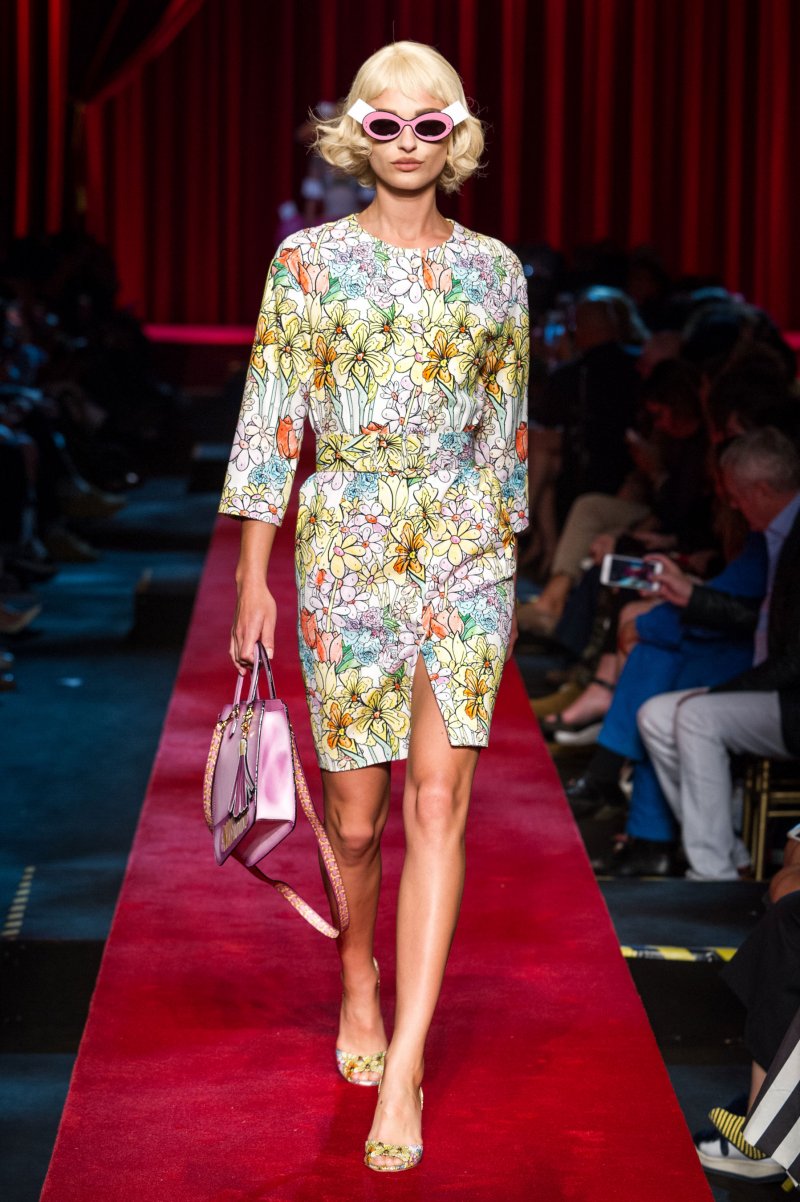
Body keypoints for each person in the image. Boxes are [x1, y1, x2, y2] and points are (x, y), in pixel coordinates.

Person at [220, 41, 529, 1173]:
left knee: (439, 804)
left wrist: (504, 556)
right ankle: (356, 970)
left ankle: (404, 1063)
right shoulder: (305, 263)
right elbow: (271, 422)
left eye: (427, 123)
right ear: (356, 133)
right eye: (385, 123)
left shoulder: (497, 271)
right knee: (355, 821)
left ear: (457, 136)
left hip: (463, 545)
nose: (406, 142)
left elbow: (508, 431)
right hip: (344, 537)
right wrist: (252, 577)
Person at [638, 428, 800, 880]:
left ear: (762, 490)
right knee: (655, 715)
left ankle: (712, 870)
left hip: (792, 697)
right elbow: (760, 617)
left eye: (736, 495)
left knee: (695, 715)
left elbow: (795, 658)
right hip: (776, 684)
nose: (732, 504)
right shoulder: (780, 531)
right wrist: (692, 596)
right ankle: (729, 852)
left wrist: (721, 692)